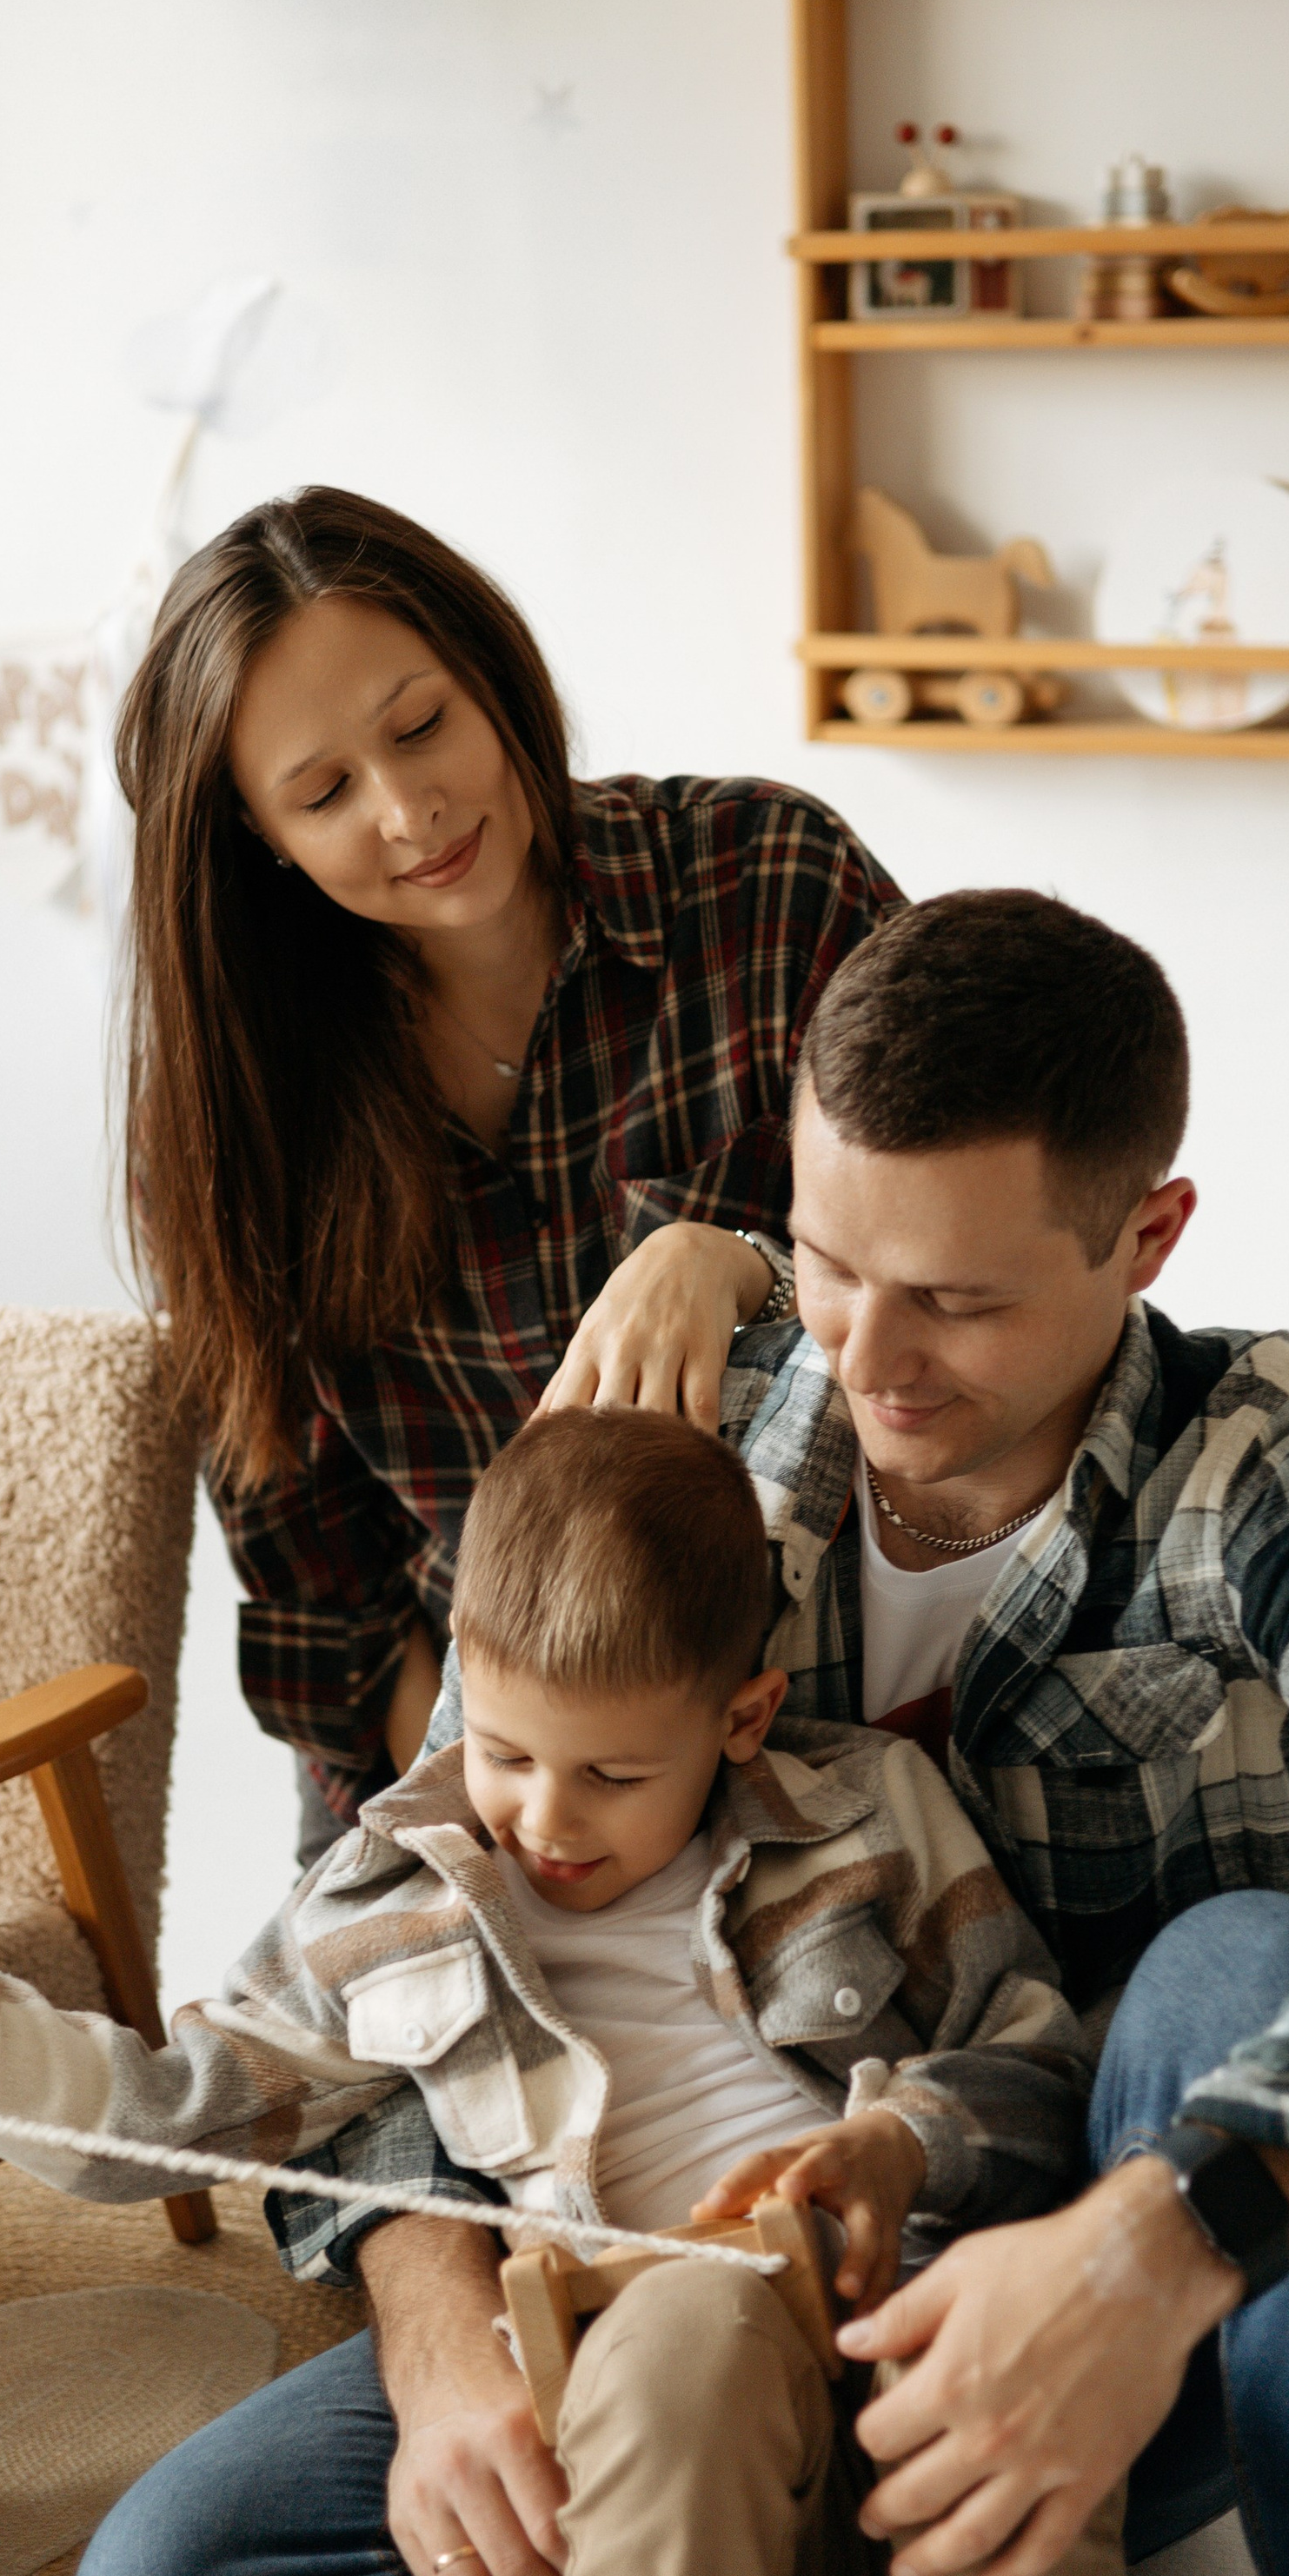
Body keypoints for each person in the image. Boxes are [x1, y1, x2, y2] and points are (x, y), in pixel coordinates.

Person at [70, 888, 1289, 2576]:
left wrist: (1146, 2253)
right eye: (821, 1263)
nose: (866, 1361)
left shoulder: (1263, 1455)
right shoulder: (698, 1415)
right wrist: (433, 2306)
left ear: (1143, 1238)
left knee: (1245, 1966)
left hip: (1106, 2289)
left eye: (960, 1304)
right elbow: (406, 1896)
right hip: (667, 2285)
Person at [0, 1404, 1121, 2576]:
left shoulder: (867, 1812)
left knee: (1004, 2387)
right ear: (460, 1695)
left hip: (900, 2311)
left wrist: (896, 2144)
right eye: (504, 1752)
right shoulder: (376, 1900)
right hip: (665, 2388)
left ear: (743, 1719)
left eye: (617, 1778)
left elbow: (1033, 2059)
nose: (548, 1821)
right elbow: (148, 2124)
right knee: (684, 2336)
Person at [114, 484, 900, 1856]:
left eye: (422, 727)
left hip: (825, 1717)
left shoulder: (769, 885)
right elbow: (295, 1523)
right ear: (259, 838)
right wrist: (462, 1775)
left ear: (492, 674)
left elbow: (963, 1269)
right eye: (324, 792)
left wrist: (742, 1266)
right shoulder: (249, 1099)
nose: (412, 812)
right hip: (473, 1755)